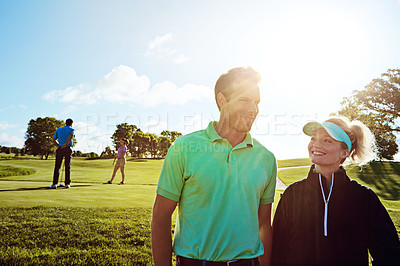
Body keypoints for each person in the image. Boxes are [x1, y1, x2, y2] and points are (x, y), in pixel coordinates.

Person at [151, 67, 277, 265]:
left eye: (257, 102)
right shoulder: (183, 148)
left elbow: (263, 225)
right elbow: (160, 216)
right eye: (244, 100)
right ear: (222, 101)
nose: (253, 109)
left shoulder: (266, 158)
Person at [271, 116, 400, 266]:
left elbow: (389, 253)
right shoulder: (292, 194)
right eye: (313, 139)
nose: (316, 145)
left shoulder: (364, 197)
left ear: (344, 152)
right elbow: (278, 250)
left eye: (327, 140)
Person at [50, 118, 75, 189]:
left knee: (57, 166)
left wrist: (59, 145)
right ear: (71, 123)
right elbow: (72, 135)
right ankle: (67, 184)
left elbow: (53, 139)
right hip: (68, 149)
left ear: (65, 123)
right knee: (67, 166)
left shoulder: (58, 129)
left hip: (60, 148)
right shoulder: (71, 129)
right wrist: (66, 144)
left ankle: (54, 184)